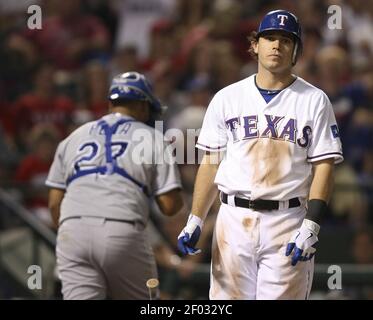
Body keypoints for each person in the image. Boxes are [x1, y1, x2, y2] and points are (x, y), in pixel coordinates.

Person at [177, 10, 343, 300]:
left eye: (285, 40)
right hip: (233, 219)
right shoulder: (227, 97)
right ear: (255, 45)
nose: (276, 45)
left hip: (287, 219)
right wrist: (196, 219)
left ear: (296, 52)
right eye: (269, 38)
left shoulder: (315, 100)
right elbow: (211, 162)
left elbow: (325, 166)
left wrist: (311, 225)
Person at [46, 71, 184, 300]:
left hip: (72, 230)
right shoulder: (152, 136)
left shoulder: (73, 137)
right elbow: (170, 206)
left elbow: (53, 203)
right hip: (121, 229)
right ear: (143, 106)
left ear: (111, 104)